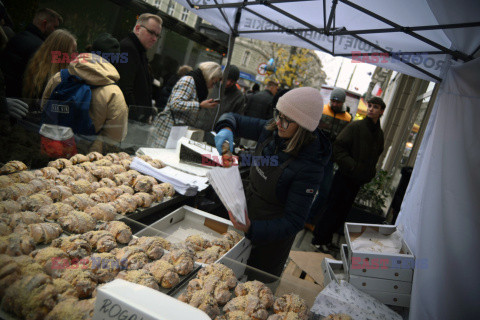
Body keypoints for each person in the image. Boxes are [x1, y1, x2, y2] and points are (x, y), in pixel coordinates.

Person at [214, 87, 331, 277]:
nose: (278, 122)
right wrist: (226, 128)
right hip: (242, 222)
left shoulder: (310, 166)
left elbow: (294, 222)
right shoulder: (273, 130)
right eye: (278, 114)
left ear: (302, 126)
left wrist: (252, 228)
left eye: (286, 120)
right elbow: (233, 118)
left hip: (267, 246)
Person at [311, 97, 386, 253]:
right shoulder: (356, 127)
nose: (371, 109)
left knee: (342, 212)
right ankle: (318, 240)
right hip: (345, 176)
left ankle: (327, 240)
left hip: (357, 180)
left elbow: (377, 154)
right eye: (370, 106)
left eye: (375, 107)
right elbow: (338, 147)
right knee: (332, 208)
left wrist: (369, 172)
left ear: (382, 111)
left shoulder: (379, 134)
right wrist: (352, 166)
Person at [41, 52, 128, 154]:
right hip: (87, 154)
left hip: (53, 146)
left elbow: (44, 107)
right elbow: (115, 134)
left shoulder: (59, 78)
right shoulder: (113, 92)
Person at [305, 88, 352, 230]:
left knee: (324, 191)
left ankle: (310, 219)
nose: (335, 103)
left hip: (330, 160)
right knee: (306, 187)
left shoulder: (348, 119)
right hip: (314, 156)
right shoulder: (322, 110)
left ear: (343, 102)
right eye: (333, 100)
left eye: (338, 101)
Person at [147, 61, 222, 148]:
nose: (212, 86)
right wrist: (199, 105)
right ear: (210, 76)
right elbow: (175, 104)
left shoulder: (199, 86)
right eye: (213, 82)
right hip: (168, 128)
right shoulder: (189, 81)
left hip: (176, 130)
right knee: (157, 156)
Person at [0, 8, 62, 98]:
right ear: (44, 24)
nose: (55, 31)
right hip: (22, 101)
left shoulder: (17, 37)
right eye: (54, 27)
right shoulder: (40, 47)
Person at [117, 13, 162, 123]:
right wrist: (137, 117)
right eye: (151, 33)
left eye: (157, 35)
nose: (154, 39)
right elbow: (124, 89)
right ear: (137, 29)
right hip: (127, 122)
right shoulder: (128, 48)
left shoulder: (139, 50)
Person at [23, 29, 77, 113]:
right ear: (62, 52)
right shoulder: (57, 79)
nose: (76, 55)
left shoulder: (35, 69)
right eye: (73, 51)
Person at [196, 65, 246, 132]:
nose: (228, 83)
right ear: (222, 77)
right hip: (199, 128)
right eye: (227, 79)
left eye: (232, 81)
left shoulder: (238, 97)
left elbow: (237, 119)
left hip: (219, 133)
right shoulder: (211, 85)